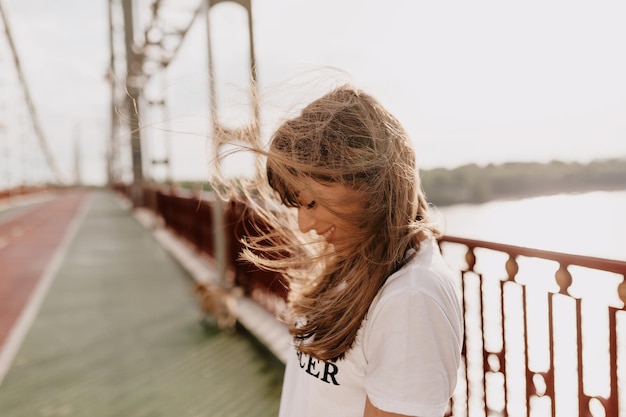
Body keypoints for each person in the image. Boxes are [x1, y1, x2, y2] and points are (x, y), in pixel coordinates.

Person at [240, 84, 464, 417]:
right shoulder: (351, 264)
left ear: (371, 182)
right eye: (297, 205)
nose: (303, 225)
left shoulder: (411, 299)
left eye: (311, 202)